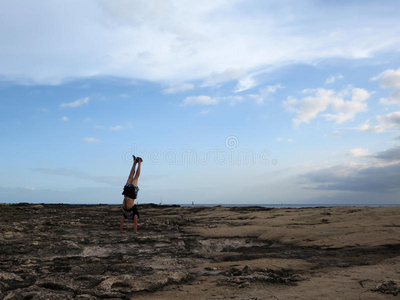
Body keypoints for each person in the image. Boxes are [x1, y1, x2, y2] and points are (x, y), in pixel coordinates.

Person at [120, 155, 142, 234]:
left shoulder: (125, 213)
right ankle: (138, 163)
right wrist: (135, 231)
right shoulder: (135, 213)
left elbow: (122, 221)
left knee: (130, 176)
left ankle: (135, 162)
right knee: (135, 177)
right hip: (132, 194)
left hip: (126, 193)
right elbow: (135, 222)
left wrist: (121, 230)